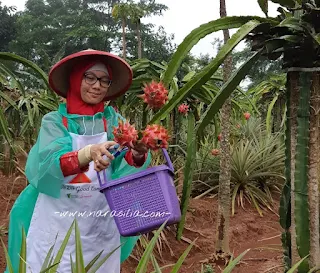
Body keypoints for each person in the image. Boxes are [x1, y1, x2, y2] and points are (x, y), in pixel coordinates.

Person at [5, 49, 151, 273]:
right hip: (56, 215)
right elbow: (49, 163)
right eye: (89, 77)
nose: (97, 85)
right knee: (50, 262)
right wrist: (89, 152)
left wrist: (139, 151)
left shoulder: (113, 121)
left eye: (104, 80)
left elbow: (127, 157)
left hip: (98, 215)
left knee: (98, 264)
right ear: (75, 79)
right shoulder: (55, 121)